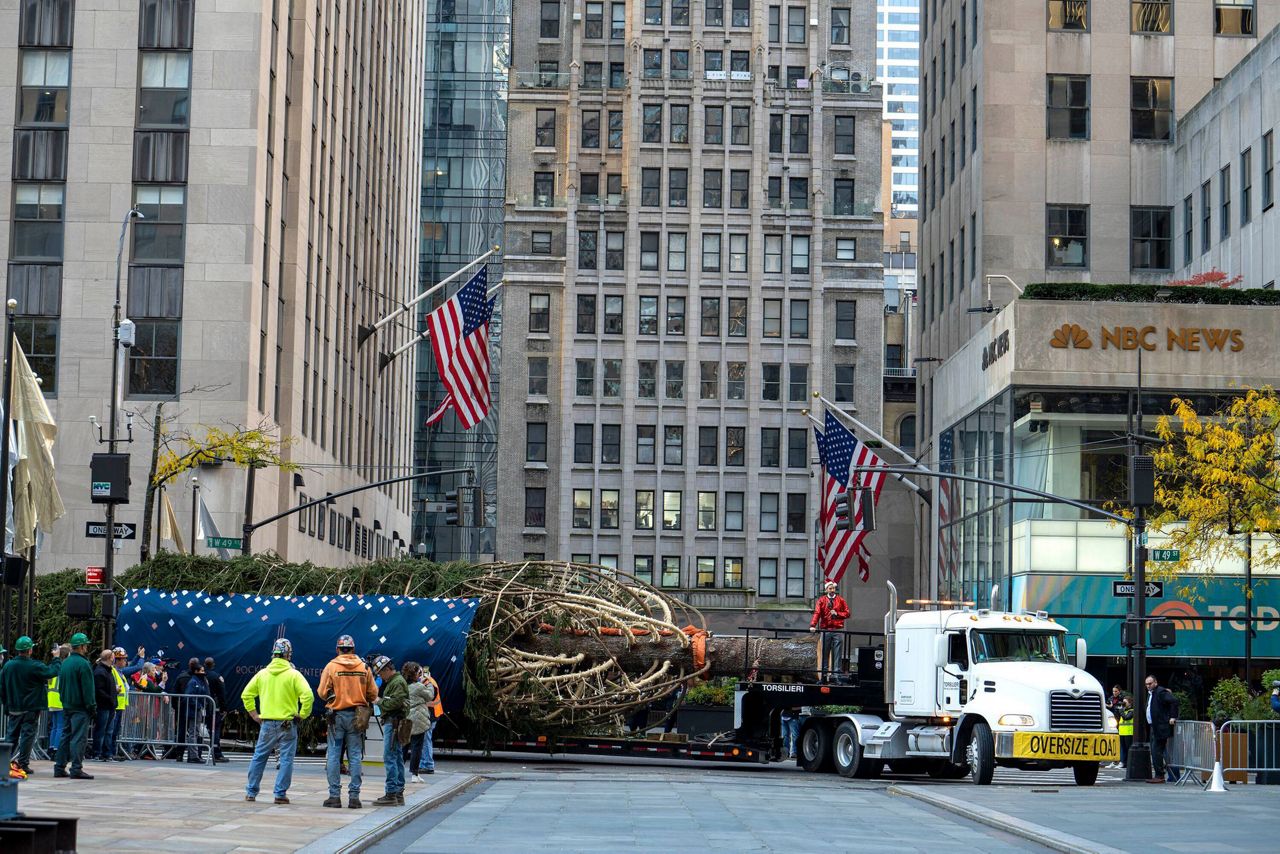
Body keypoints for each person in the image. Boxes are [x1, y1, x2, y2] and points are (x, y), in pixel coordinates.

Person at [242, 638, 313, 804]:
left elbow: (246, 694)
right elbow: (308, 695)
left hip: (266, 722)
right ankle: (280, 794)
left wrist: (254, 715)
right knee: (286, 759)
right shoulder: (294, 675)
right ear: (288, 655)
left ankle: (251, 792)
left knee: (259, 757)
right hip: (287, 723)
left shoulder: (262, 674)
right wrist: (303, 714)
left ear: (273, 654)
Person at [318, 634, 377, 809]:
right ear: (353, 649)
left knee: (334, 756)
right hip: (357, 716)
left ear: (338, 649)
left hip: (336, 717)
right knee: (355, 756)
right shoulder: (364, 667)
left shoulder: (331, 666)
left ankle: (334, 796)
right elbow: (373, 694)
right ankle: (354, 798)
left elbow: (322, 692)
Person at [0, 636, 62, 777]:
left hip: (14, 708)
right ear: (29, 650)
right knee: (27, 736)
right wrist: (56, 658)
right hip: (31, 708)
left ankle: (3, 764)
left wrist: (7, 705)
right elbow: (52, 672)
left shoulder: (8, 666)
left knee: (11, 736)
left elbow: (2, 687)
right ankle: (23, 764)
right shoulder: (35, 666)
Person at [53, 633, 97, 780]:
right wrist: (92, 707)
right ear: (82, 647)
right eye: (86, 645)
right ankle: (76, 768)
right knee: (78, 738)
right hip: (80, 707)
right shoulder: (83, 664)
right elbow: (88, 689)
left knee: (65, 736)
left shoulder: (65, 663)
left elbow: (62, 685)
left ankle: (59, 767)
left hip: (67, 705)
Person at [372, 655, 409, 806]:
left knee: (390, 757)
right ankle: (398, 792)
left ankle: (391, 793)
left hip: (393, 724)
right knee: (397, 757)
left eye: (381, 672)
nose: (380, 676)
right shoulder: (394, 682)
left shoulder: (397, 682)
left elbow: (394, 703)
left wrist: (379, 701)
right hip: (395, 723)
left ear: (387, 669)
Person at [809, 581, 850, 678]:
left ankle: (836, 675)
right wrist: (813, 625)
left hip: (837, 629)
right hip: (825, 629)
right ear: (826, 589)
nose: (832, 590)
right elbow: (817, 613)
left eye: (833, 588)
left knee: (837, 653)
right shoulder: (822, 600)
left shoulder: (840, 600)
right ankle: (824, 675)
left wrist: (837, 613)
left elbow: (847, 613)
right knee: (825, 653)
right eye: (830, 588)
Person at [1144, 674, 1179, 783]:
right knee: (1158, 751)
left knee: (1156, 751)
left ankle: (1160, 775)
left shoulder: (1160, 692)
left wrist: (1173, 716)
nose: (1148, 686)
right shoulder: (1152, 694)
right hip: (1154, 726)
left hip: (1160, 727)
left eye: (1150, 683)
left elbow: (1174, 701)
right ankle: (1169, 775)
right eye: (1146, 684)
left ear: (1155, 682)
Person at [404, 663, 433, 783]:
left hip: (406, 718)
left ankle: (398, 771)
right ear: (415, 674)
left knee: (403, 746)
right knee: (417, 747)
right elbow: (430, 696)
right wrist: (429, 682)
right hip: (418, 720)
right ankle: (415, 774)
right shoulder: (419, 686)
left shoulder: (403, 685)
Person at [415, 665, 444, 776]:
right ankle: (425, 764)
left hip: (430, 716)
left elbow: (428, 698)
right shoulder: (429, 682)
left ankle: (427, 764)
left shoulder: (428, 683)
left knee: (425, 740)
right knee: (425, 740)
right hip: (431, 715)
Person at [91, 650, 119, 761]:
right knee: (101, 730)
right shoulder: (100, 672)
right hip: (103, 706)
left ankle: (107, 753)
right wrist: (110, 698)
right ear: (110, 658)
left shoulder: (107, 671)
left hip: (109, 705)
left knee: (108, 731)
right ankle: (97, 753)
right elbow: (99, 690)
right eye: (113, 656)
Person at [184, 661, 212, 762]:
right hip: (194, 710)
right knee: (193, 733)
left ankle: (194, 755)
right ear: (196, 671)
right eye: (201, 671)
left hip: (197, 710)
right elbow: (189, 696)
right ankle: (193, 756)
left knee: (195, 732)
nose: (203, 672)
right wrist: (199, 706)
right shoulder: (193, 682)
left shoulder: (199, 681)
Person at [204, 657, 229, 762]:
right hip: (214, 707)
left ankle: (198, 753)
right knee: (215, 730)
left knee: (201, 730)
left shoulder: (200, 676)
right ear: (213, 665)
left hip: (202, 706)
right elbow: (222, 693)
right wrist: (224, 708)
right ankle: (217, 753)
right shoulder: (216, 677)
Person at [46, 643, 67, 754]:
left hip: (51, 700)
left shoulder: (52, 666)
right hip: (59, 700)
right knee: (60, 726)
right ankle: (56, 749)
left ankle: (51, 747)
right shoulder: (62, 667)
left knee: (55, 726)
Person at [1115, 695, 1135, 770]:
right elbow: (1118, 717)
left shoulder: (1132, 711)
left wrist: (1121, 711)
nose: (1123, 704)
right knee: (1122, 748)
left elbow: (1126, 718)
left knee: (1127, 748)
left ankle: (1127, 762)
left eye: (1125, 702)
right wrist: (1118, 710)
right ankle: (1123, 762)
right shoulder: (1123, 710)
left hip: (1128, 732)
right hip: (1122, 732)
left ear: (1130, 703)